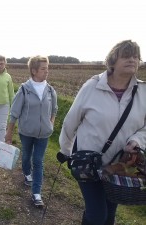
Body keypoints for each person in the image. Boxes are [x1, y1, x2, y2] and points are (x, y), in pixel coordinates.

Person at [57, 40, 146, 225]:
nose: (132, 59)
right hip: (87, 163)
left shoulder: (143, 92)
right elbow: (70, 121)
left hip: (117, 166)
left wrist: (137, 140)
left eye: (135, 56)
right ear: (112, 61)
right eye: (126, 55)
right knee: (98, 215)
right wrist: (66, 152)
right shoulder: (92, 87)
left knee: (108, 216)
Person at [5, 55, 58, 207]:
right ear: (34, 71)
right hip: (26, 132)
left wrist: (51, 124)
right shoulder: (24, 89)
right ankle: (27, 174)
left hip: (44, 134)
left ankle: (36, 193)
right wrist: (9, 132)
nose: (46, 71)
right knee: (27, 156)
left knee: (38, 161)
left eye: (47, 68)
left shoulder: (50, 90)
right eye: (43, 69)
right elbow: (14, 112)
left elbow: (54, 109)